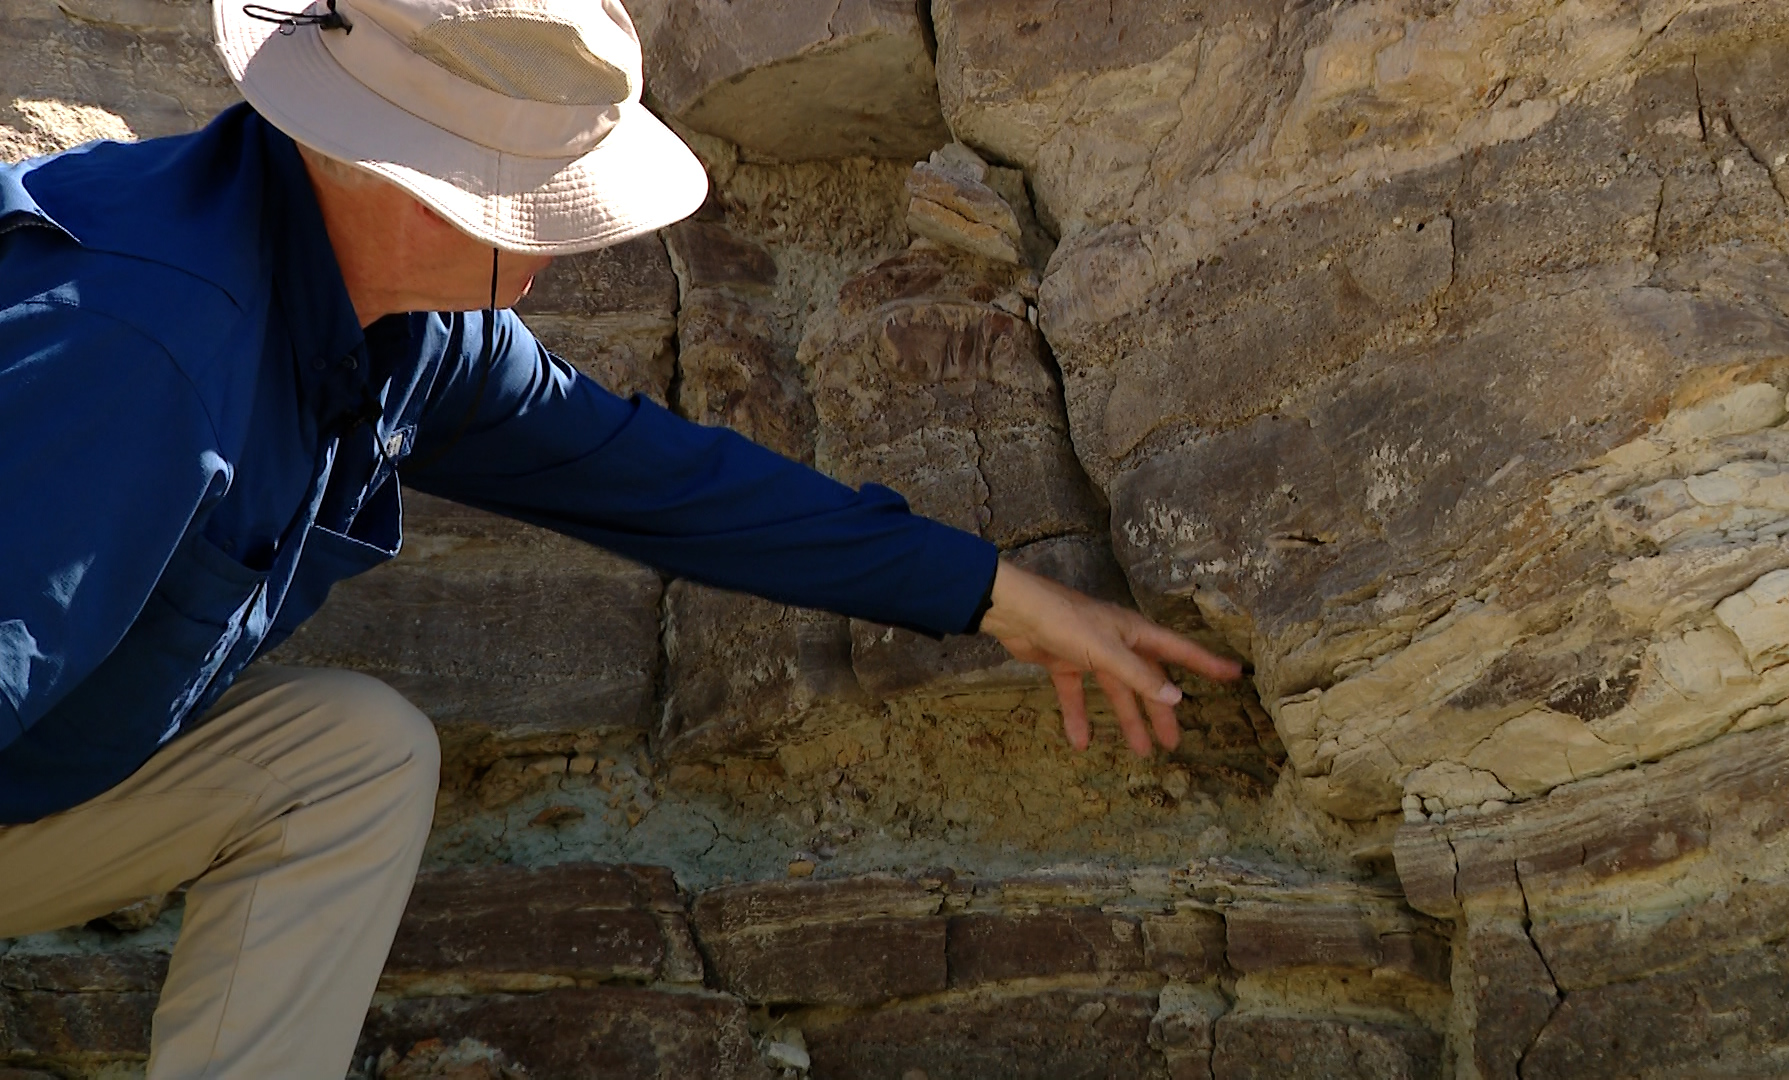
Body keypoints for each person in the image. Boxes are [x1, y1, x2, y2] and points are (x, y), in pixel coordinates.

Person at [0, 0, 1242, 1074]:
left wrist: (995, 596)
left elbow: (659, 483)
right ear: (380, 168)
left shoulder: (402, 325)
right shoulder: (145, 353)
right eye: (526, 194)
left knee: (350, 758)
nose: (563, 234)